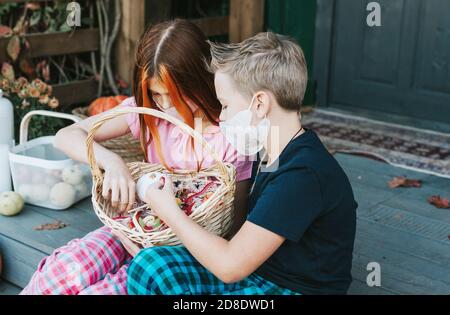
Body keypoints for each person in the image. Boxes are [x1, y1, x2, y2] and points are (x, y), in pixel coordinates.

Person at [20, 19, 253, 295]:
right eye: (156, 94)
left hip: (177, 257)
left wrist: (152, 252)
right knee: (60, 274)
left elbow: (233, 229)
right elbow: (66, 135)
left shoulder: (230, 135)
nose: (165, 107)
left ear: (200, 81)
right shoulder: (147, 114)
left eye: (176, 96)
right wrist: (112, 162)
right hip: (132, 230)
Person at [124, 32, 358, 295]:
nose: (221, 117)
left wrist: (168, 210)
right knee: (149, 266)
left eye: (224, 105)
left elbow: (229, 267)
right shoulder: (271, 153)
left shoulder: (302, 174)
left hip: (292, 289)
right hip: (258, 273)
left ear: (259, 104)